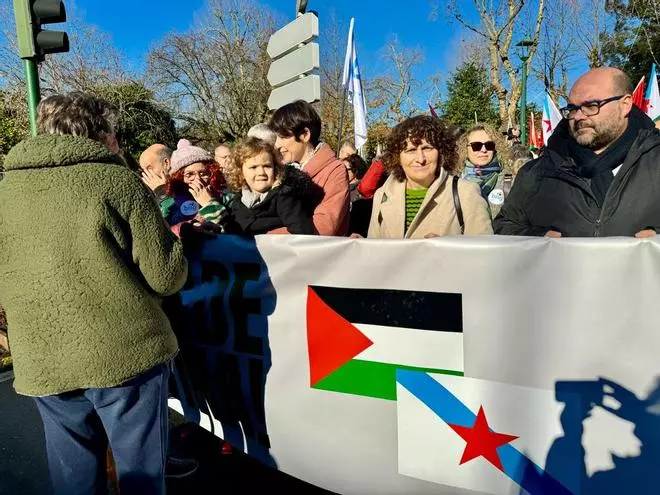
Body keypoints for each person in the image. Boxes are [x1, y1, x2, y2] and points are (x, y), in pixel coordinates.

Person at [0, 92, 188, 495]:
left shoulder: (6, 192)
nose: (119, 143)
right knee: (141, 476)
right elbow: (165, 276)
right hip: (125, 355)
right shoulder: (116, 180)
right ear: (99, 133)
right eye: (115, 133)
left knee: (74, 479)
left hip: (43, 358)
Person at [494, 67, 660, 238]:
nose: (579, 116)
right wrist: (538, 238)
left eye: (591, 105)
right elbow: (505, 226)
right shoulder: (537, 172)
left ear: (625, 104)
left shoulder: (655, 161)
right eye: (573, 108)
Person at [367, 115, 493, 239]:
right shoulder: (381, 195)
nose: (420, 159)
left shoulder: (466, 192)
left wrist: (450, 250)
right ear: (397, 156)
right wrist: (359, 247)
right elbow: (374, 251)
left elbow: (485, 252)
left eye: (427, 148)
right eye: (411, 150)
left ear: (441, 152)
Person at [269, 100, 350, 236]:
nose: (276, 144)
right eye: (276, 137)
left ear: (305, 134)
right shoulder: (280, 170)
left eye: (283, 136)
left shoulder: (335, 171)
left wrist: (263, 236)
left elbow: (323, 228)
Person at [223, 137, 316, 235]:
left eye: (267, 166)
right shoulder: (237, 202)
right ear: (240, 172)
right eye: (253, 167)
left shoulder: (285, 197)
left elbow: (302, 233)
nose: (261, 172)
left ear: (275, 169)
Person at [160, 139, 230, 236]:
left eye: (203, 173)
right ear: (179, 178)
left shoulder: (227, 198)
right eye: (189, 174)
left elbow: (230, 229)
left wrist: (208, 203)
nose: (198, 179)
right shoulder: (172, 205)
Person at [457, 123, 511, 218]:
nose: (483, 150)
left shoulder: (510, 180)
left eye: (489, 145)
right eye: (476, 146)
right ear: (465, 149)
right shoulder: (454, 182)